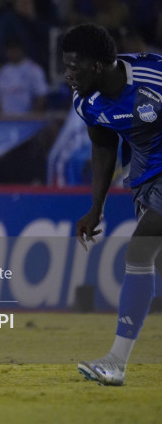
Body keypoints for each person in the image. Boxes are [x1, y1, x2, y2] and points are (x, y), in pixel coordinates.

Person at [62, 23, 162, 386]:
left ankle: (116, 362)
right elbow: (104, 145)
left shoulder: (153, 79)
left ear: (96, 66)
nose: (67, 75)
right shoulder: (85, 101)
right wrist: (96, 207)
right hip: (145, 177)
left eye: (73, 67)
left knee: (140, 250)